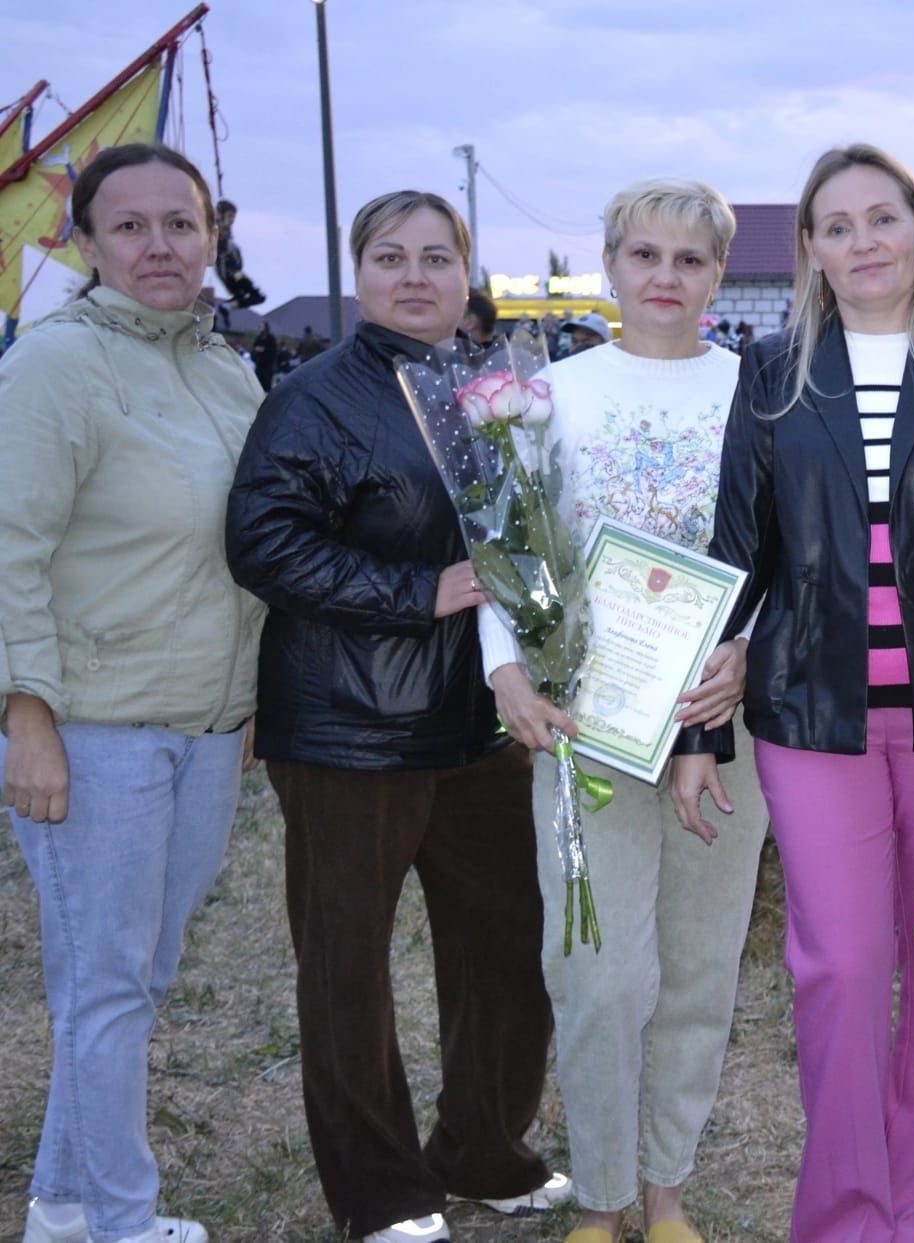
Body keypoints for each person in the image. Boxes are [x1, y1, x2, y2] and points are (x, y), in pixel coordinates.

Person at [677, 143, 914, 1242]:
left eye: (885, 218)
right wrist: (698, 728)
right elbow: (739, 552)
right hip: (809, 716)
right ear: (812, 251)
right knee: (838, 971)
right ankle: (843, 1218)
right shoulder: (770, 373)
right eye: (838, 225)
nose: (864, 240)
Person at [225, 191, 569, 1243]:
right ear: (359, 271)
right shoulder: (315, 397)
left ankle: (481, 1145)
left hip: (478, 725)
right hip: (350, 728)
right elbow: (263, 540)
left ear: (466, 272)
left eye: (435, 256)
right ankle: (380, 1191)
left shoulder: (488, 387)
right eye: (390, 256)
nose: (413, 275)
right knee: (347, 966)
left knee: (509, 944)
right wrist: (419, 591)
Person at [480, 177, 763, 1243]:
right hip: (588, 721)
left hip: (718, 721)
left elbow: (784, 552)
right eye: (644, 255)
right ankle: (599, 1196)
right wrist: (506, 668)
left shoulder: (758, 390)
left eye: (690, 260)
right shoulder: (551, 395)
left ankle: (666, 1190)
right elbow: (507, 552)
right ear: (609, 264)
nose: (665, 278)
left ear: (718, 276)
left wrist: (748, 652)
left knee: (697, 966)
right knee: (598, 973)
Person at [0, 143, 265, 1243]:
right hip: (92, 727)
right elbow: (9, 549)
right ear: (86, 243)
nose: (159, 245)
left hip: (204, 728)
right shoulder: (52, 366)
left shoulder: (227, 371)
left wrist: (244, 708)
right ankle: (119, 1219)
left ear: (214, 234)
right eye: (130, 226)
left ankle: (64, 1203)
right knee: (105, 987)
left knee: (133, 981)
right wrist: (28, 721)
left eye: (181, 223)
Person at [249, 319, 277, 391]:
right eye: (260, 326)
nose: (260, 328)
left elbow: (273, 350)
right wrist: (256, 351)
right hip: (259, 363)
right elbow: (254, 348)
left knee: (266, 383)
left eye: (262, 326)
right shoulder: (259, 338)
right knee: (257, 382)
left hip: (267, 364)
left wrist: (264, 349)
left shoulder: (270, 338)